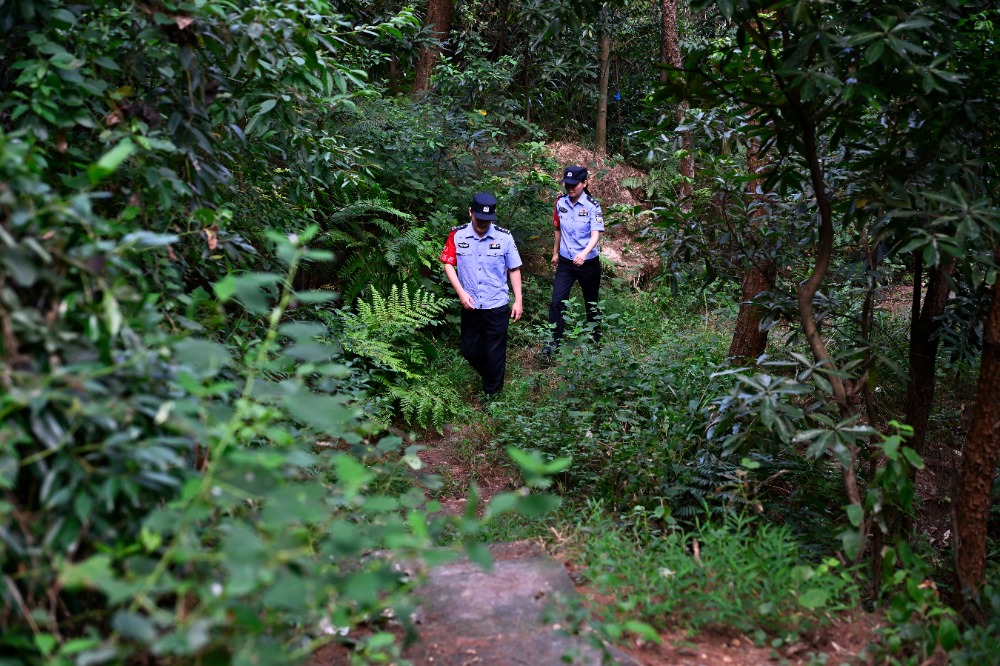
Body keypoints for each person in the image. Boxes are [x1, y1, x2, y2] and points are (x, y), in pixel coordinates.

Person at [440, 192, 523, 397]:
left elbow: (514, 269)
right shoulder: (457, 235)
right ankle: (491, 377)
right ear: (470, 213)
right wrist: (460, 292)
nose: (482, 224)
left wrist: (518, 301)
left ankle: (492, 397)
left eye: (487, 220)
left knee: (495, 354)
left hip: (496, 305)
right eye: (479, 219)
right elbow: (448, 264)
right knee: (469, 350)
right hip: (470, 306)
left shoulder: (504, 237)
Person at [546, 165, 604, 352]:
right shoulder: (560, 203)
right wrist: (555, 253)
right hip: (565, 262)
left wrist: (584, 253)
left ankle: (595, 340)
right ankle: (553, 344)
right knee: (557, 302)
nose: (570, 188)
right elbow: (557, 230)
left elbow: (595, 235)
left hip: (588, 263)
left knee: (591, 301)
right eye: (567, 184)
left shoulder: (592, 206)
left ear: (584, 183)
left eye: (574, 184)